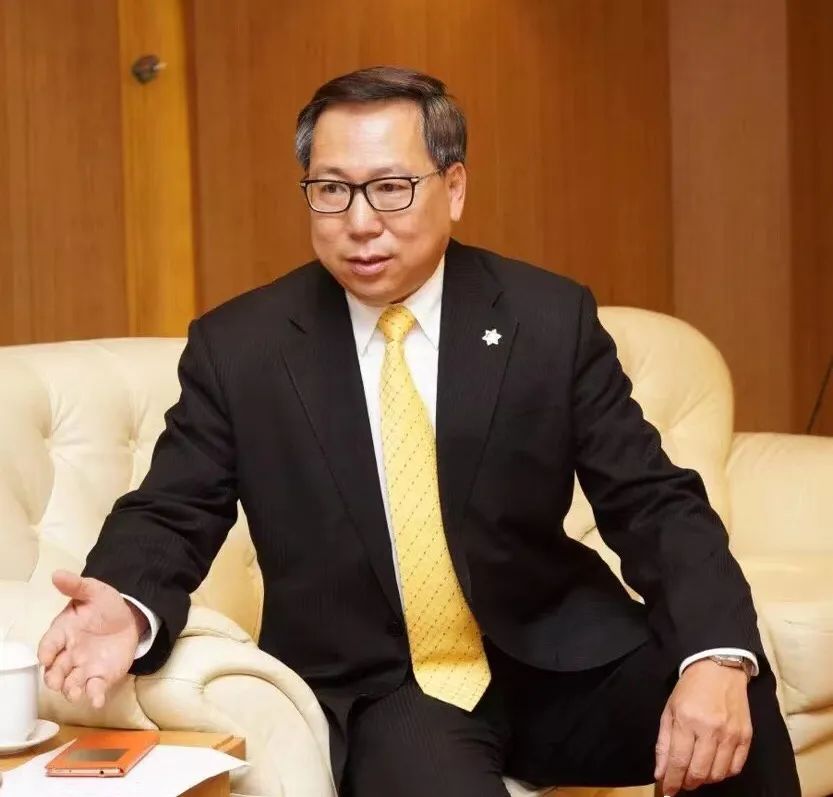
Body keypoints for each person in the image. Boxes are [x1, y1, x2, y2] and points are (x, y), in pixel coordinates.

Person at [37, 67, 800, 797]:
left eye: (391, 187)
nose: (360, 222)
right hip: (385, 688)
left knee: (737, 695)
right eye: (331, 189)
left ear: (453, 187)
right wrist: (125, 599)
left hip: (557, 654)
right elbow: (173, 507)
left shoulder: (544, 319)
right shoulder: (244, 347)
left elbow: (651, 500)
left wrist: (715, 655)